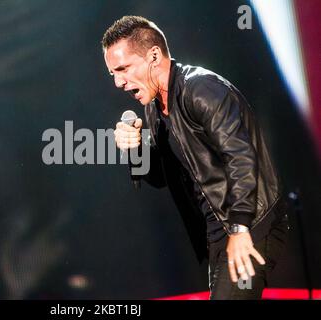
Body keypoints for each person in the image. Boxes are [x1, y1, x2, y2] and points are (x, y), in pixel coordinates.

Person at [102, 16, 289, 300]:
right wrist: (136, 148)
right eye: (112, 73)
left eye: (123, 69)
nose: (118, 82)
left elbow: (241, 157)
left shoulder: (202, 89)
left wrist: (240, 228)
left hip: (250, 219)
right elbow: (162, 177)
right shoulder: (154, 106)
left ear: (153, 55)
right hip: (217, 229)